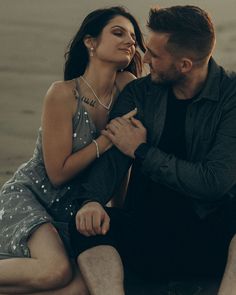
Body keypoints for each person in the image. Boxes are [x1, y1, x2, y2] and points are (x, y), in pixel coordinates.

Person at [69, 5, 236, 295]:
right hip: (149, 235)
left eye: (155, 55)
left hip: (210, 239)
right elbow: (112, 162)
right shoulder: (140, 94)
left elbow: (214, 183)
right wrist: (93, 200)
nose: (143, 59)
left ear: (184, 65)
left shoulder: (230, 97)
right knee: (85, 223)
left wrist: (143, 151)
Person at [0, 6, 145, 294]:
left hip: (75, 212)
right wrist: (106, 141)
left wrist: (118, 214)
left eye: (133, 36)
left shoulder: (128, 87)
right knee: (55, 271)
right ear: (90, 42)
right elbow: (57, 173)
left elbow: (120, 164)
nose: (129, 41)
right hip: (35, 198)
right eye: (118, 32)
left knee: (82, 286)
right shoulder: (63, 94)